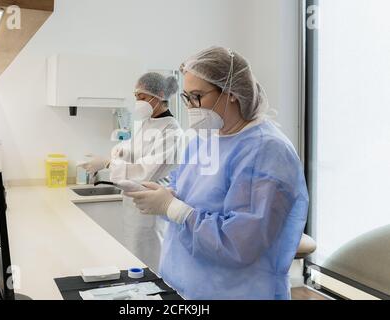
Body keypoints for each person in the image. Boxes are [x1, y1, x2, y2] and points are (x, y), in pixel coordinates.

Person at [125, 47, 309, 300]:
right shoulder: (205, 138)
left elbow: (240, 244)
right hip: (183, 285)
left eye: (197, 96)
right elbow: (185, 192)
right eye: (186, 97)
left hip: (237, 291)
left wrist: (173, 208)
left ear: (231, 93)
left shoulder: (266, 151)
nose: (191, 107)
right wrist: (164, 196)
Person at [80, 72, 183, 272]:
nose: (138, 102)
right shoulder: (147, 124)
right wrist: (121, 150)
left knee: (150, 261)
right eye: (136, 96)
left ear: (159, 95)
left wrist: (109, 164)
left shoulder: (172, 131)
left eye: (142, 97)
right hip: (133, 203)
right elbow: (134, 150)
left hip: (152, 204)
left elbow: (146, 170)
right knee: (133, 258)